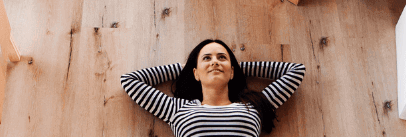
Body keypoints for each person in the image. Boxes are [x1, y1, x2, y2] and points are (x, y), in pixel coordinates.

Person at [121, 39, 305, 136]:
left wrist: (234, 68)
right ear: (195, 73)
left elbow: (296, 71)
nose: (215, 62)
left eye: (222, 58)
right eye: (207, 58)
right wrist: (188, 68)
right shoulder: (177, 109)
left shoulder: (253, 106)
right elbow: (130, 80)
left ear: (232, 73)